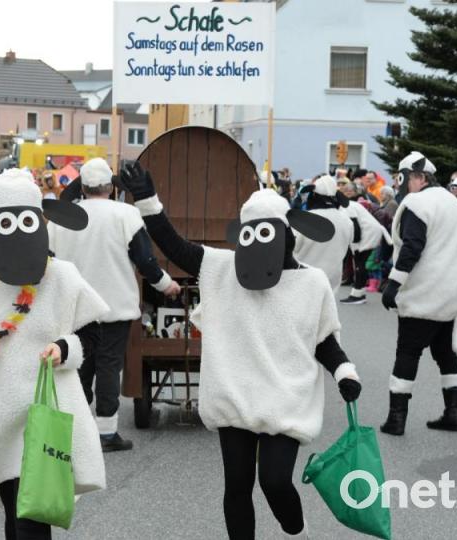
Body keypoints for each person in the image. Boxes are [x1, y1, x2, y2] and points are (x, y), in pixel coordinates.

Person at [120, 162, 361, 539]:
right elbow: (175, 246)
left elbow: (324, 339)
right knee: (237, 487)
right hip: (236, 396)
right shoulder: (224, 269)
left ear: (286, 235)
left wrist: (344, 371)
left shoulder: (311, 283)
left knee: (275, 481)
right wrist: (148, 200)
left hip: (286, 399)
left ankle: (297, 532)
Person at [0, 169, 109, 540]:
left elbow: (92, 333)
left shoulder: (62, 277)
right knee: (14, 512)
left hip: (45, 409)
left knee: (30, 517)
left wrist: (64, 348)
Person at [48, 158, 180, 452]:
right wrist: (166, 284)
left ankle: (75, 430)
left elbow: (49, 260)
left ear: (83, 186)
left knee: (78, 367)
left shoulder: (63, 218)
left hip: (74, 304)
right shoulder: (126, 214)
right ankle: (106, 433)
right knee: (109, 365)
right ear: (111, 186)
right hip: (113, 304)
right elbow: (145, 260)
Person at [380, 151, 457, 436]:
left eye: (405, 179)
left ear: (418, 177)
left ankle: (397, 418)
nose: (403, 186)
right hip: (452, 298)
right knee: (446, 355)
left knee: (408, 353)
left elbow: (412, 247)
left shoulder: (418, 204)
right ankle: (453, 413)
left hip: (423, 295)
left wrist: (393, 284)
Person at [293, 175, 355, 291]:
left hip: (304, 281)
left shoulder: (305, 220)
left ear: (314, 195)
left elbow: (292, 247)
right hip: (331, 282)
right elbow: (347, 246)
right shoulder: (346, 221)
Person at [340, 197, 391, 305]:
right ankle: (359, 293)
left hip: (368, 233)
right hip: (370, 231)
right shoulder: (349, 204)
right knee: (360, 263)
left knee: (360, 264)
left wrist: (355, 248)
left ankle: (357, 295)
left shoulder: (345, 207)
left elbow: (356, 229)